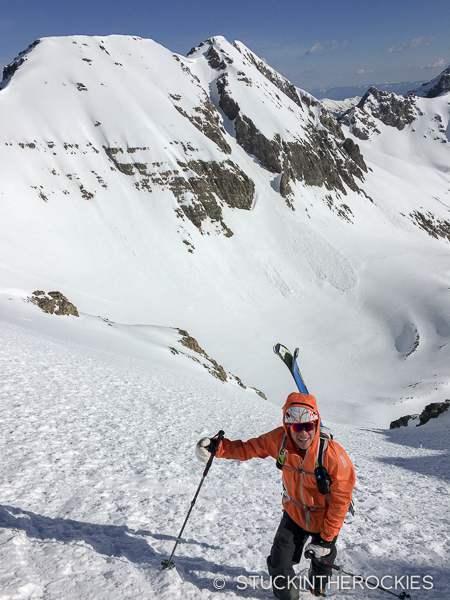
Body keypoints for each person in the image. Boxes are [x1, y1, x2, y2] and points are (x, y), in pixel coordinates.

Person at [196, 392, 355, 599]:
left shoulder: (332, 454)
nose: (303, 433)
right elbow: (248, 448)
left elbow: (341, 500)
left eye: (308, 425)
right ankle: (287, 597)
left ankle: (318, 588)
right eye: (297, 427)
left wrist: (326, 540)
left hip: (325, 518)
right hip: (294, 513)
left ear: (316, 424)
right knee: (279, 563)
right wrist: (219, 448)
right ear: (288, 426)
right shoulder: (280, 440)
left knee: (322, 562)